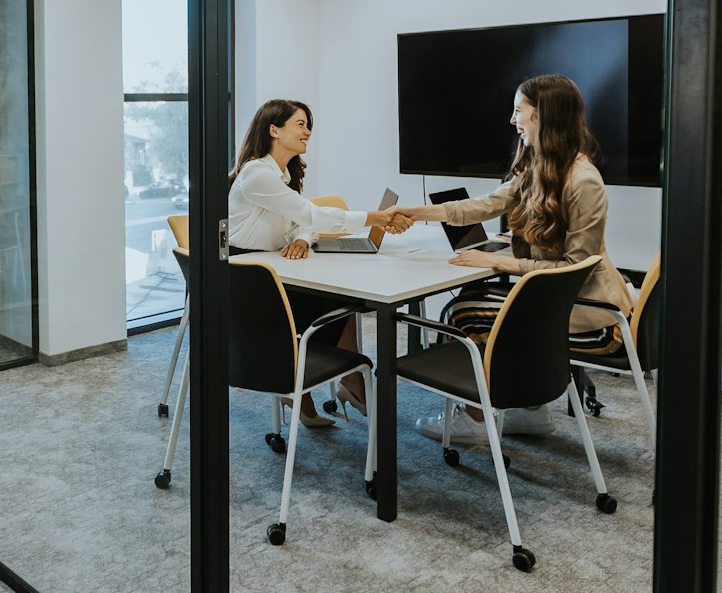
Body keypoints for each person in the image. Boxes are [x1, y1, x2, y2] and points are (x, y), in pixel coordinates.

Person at [392, 74, 631, 439]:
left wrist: (500, 261)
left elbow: (575, 269)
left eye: (519, 110)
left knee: (463, 313)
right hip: (565, 307)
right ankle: (528, 411)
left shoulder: (584, 181)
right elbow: (485, 205)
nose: (512, 119)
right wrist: (416, 212)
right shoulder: (541, 167)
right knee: (472, 302)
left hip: (596, 318)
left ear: (543, 116)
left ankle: (474, 418)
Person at [227, 98, 411, 427]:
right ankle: (343, 381)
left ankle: (329, 383)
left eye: (308, 125)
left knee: (342, 299)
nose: (308, 132)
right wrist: (375, 217)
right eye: (300, 124)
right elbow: (311, 213)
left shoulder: (283, 173)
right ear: (274, 130)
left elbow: (303, 220)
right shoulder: (256, 174)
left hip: (273, 271)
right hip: (248, 285)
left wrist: (301, 239)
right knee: (340, 300)